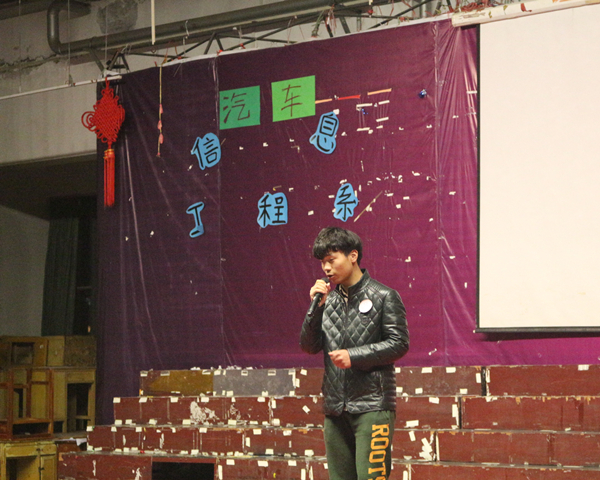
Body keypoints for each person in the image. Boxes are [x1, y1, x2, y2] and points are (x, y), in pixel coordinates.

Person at [300, 227, 409, 480]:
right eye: (322, 263)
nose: (326, 268)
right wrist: (316, 308)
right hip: (335, 408)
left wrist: (354, 355)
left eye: (331, 260)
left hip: (372, 406)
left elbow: (399, 343)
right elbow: (309, 346)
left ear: (352, 256)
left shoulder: (384, 296)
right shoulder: (327, 301)